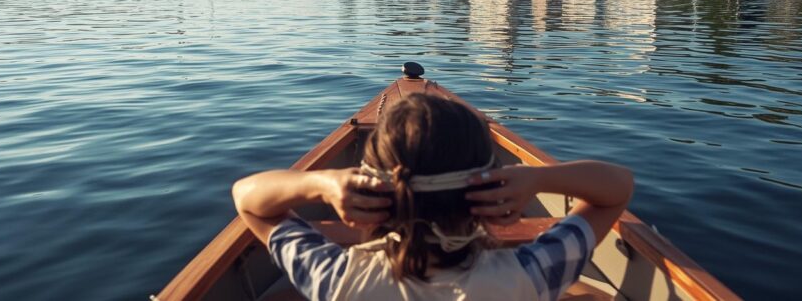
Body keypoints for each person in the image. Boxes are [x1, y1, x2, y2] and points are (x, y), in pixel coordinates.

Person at [232, 94, 634, 300]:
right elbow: (616, 189)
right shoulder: (529, 275)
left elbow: (248, 198)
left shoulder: (335, 278)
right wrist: (538, 179)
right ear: (487, 191)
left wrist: (321, 185)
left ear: (373, 193)